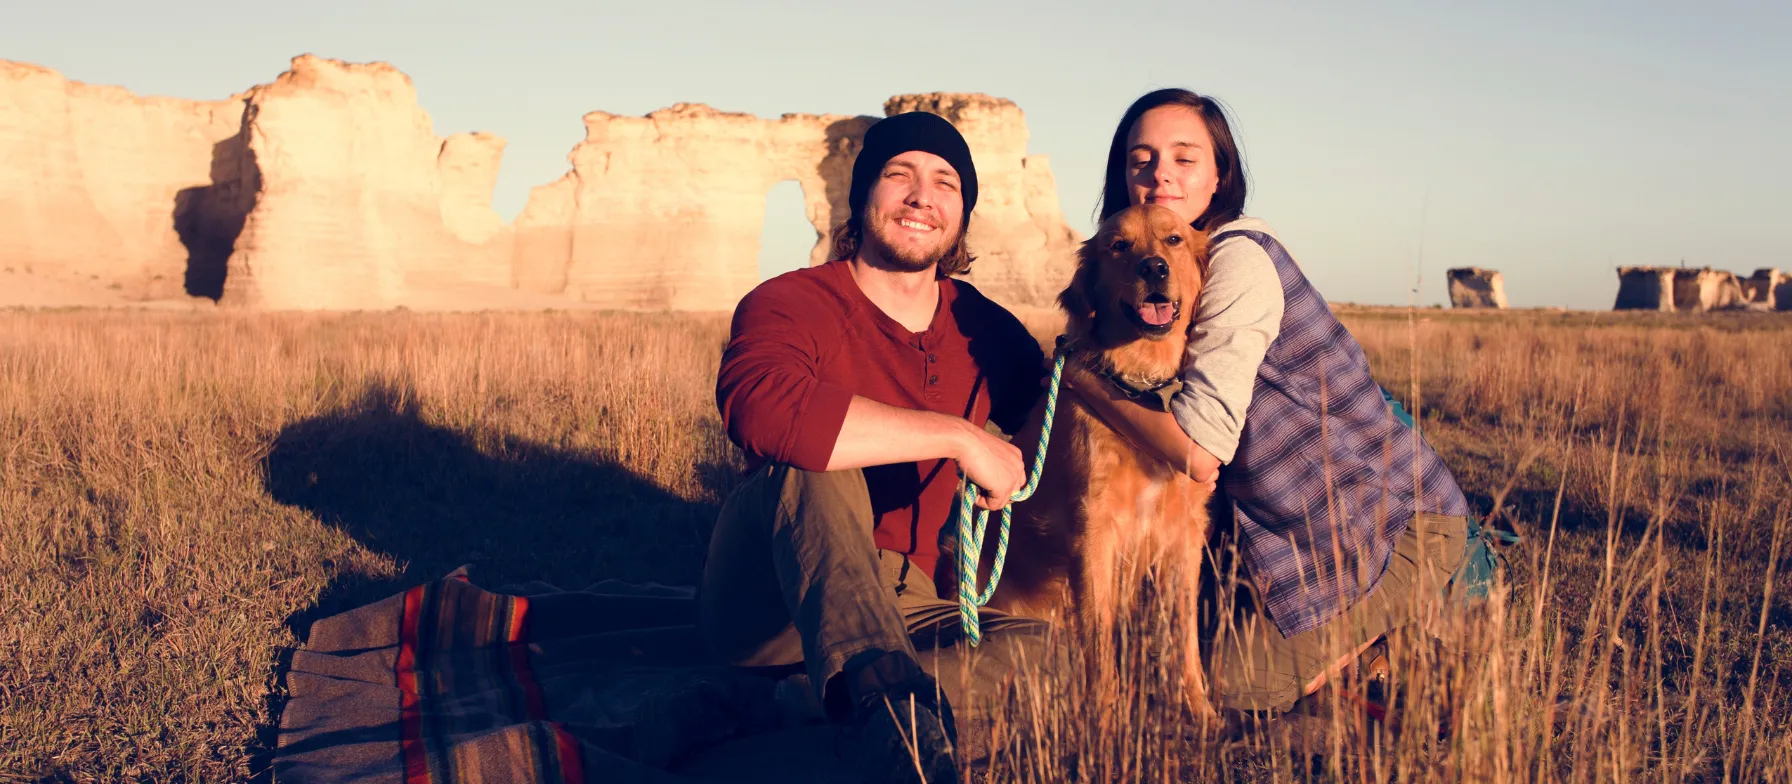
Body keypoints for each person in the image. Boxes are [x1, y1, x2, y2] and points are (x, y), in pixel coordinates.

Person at [1061, 88, 1475, 719]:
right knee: (1194, 639)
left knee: (1236, 685)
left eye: (1184, 157)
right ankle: (1356, 648)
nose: (1159, 174)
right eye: (1141, 159)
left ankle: (1401, 640)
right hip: (1298, 536)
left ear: (1220, 172)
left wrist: (1080, 378)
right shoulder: (1167, 256)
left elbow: (1198, 456)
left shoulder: (1234, 261)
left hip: (1385, 528)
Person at [700, 111, 1055, 784]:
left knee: (1055, 660)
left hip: (907, 598)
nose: (923, 196)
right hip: (773, 592)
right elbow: (766, 411)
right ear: (861, 198)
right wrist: (958, 435)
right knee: (817, 462)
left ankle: (818, 705)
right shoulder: (790, 302)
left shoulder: (985, 328)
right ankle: (886, 718)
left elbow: (1052, 419)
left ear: (962, 213)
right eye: (900, 176)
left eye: (945, 182)